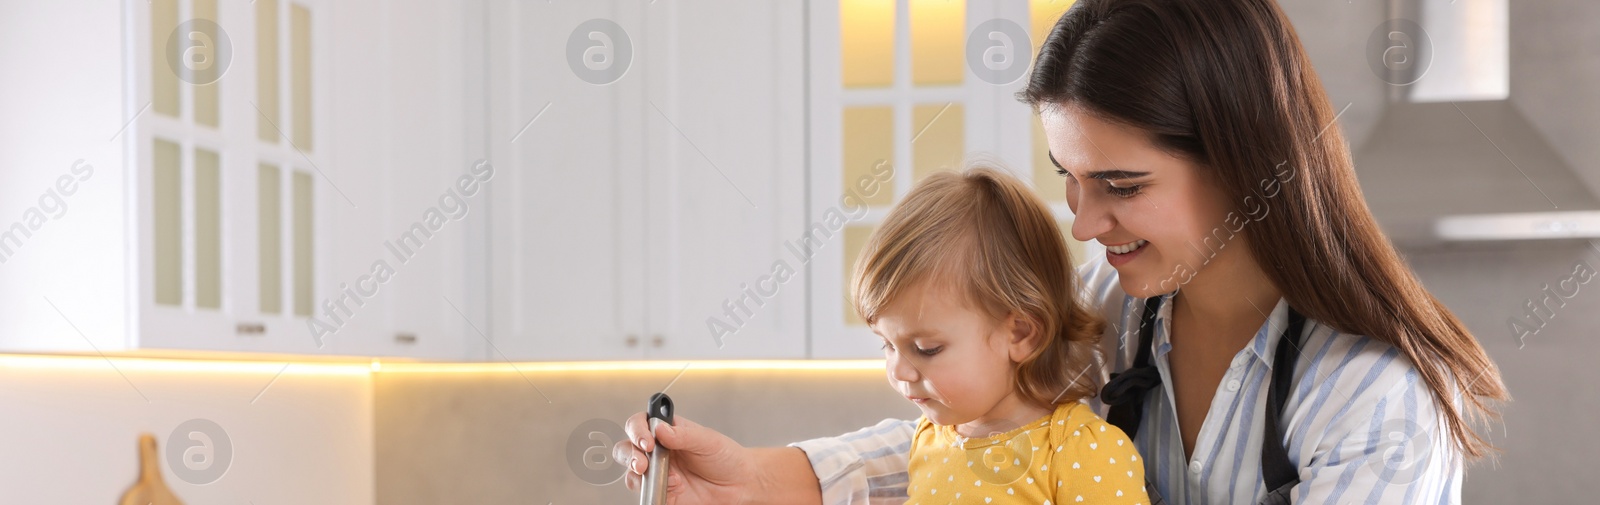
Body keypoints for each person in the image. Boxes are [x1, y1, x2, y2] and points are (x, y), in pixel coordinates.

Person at [613, 0, 1509, 503]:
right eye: (1067, 177)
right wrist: (765, 480)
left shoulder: (1371, 396)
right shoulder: (1115, 302)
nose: (1082, 222)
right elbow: (987, 434)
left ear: (1245, 163)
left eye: (1120, 186)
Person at [851, 167, 1147, 503]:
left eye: (926, 348)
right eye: (887, 344)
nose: (898, 371)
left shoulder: (1080, 450)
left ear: (1021, 334)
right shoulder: (930, 437)